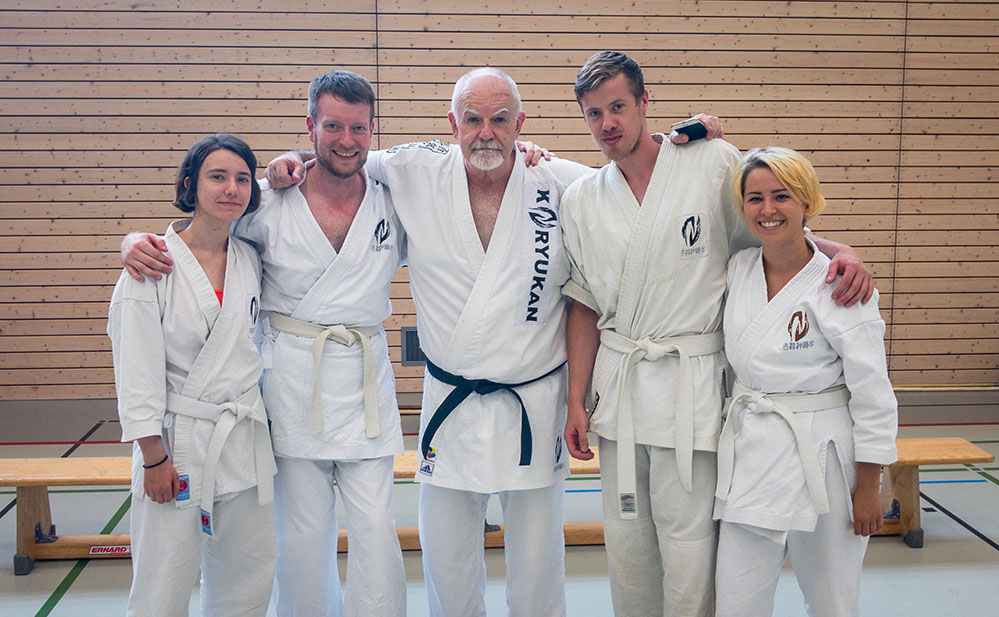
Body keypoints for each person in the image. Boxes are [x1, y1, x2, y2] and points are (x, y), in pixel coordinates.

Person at [265, 67, 719, 617]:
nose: (487, 132)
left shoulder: (560, 181)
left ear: (521, 124)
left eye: (501, 119)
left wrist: (809, 243)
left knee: (537, 566)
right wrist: (289, 161)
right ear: (452, 123)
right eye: (473, 119)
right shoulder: (413, 168)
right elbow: (340, 155)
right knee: (448, 562)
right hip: (450, 408)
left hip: (534, 402)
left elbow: (645, 201)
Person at [558, 51, 875, 617]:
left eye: (618, 107)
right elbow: (581, 302)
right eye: (593, 113)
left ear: (645, 103)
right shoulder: (582, 197)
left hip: (693, 392)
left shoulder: (710, 162)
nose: (607, 123)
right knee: (626, 542)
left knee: (690, 545)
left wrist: (840, 249)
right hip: (621, 390)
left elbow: (772, 225)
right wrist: (575, 398)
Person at [123, 72, 408, 617]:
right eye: (331, 126)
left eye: (357, 128)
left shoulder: (394, 202)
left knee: (375, 525)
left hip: (365, 381)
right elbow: (198, 237)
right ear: (310, 127)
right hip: (292, 385)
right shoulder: (266, 206)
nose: (346, 139)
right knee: (301, 531)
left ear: (372, 131)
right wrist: (133, 240)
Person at [713, 147, 898, 617]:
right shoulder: (738, 268)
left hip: (828, 456)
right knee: (736, 599)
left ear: (806, 201)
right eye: (755, 198)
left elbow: (874, 393)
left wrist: (870, 485)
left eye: (782, 196)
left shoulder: (841, 285)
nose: (768, 210)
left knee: (833, 600)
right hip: (753, 448)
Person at [108, 133, 277, 617]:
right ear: (190, 185)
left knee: (248, 576)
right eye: (217, 177)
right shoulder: (151, 264)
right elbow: (135, 371)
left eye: (243, 179)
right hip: (176, 446)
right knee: (164, 582)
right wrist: (153, 457)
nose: (232, 189)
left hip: (243, 438)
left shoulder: (250, 258)